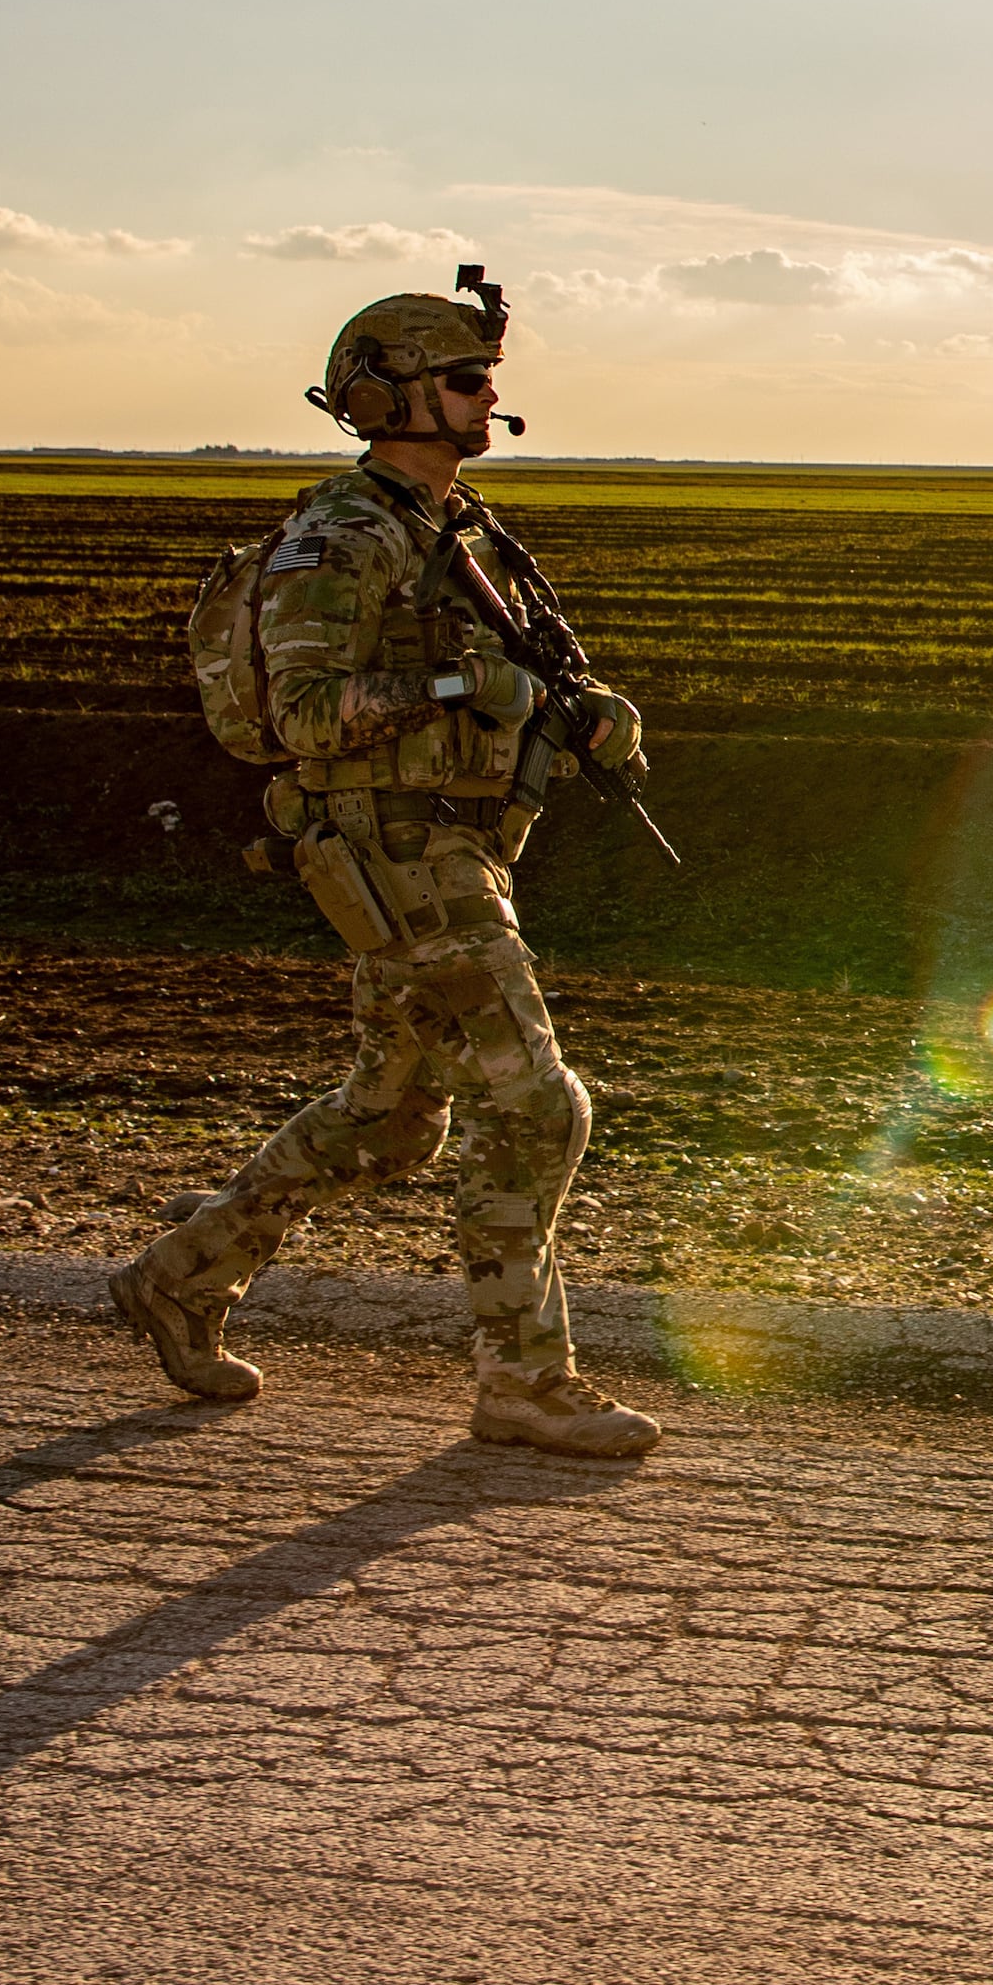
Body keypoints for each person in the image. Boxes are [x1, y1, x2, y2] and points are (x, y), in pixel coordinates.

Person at [109, 282, 669, 1459]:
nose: (490, 396)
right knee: (533, 1098)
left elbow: (513, 670)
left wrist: (584, 712)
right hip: (393, 852)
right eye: (466, 379)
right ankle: (525, 1379)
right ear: (393, 393)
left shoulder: (459, 532)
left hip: (457, 846)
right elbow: (300, 714)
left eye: (483, 378)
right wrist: (472, 692)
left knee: (386, 1120)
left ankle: (179, 1274)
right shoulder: (344, 535)